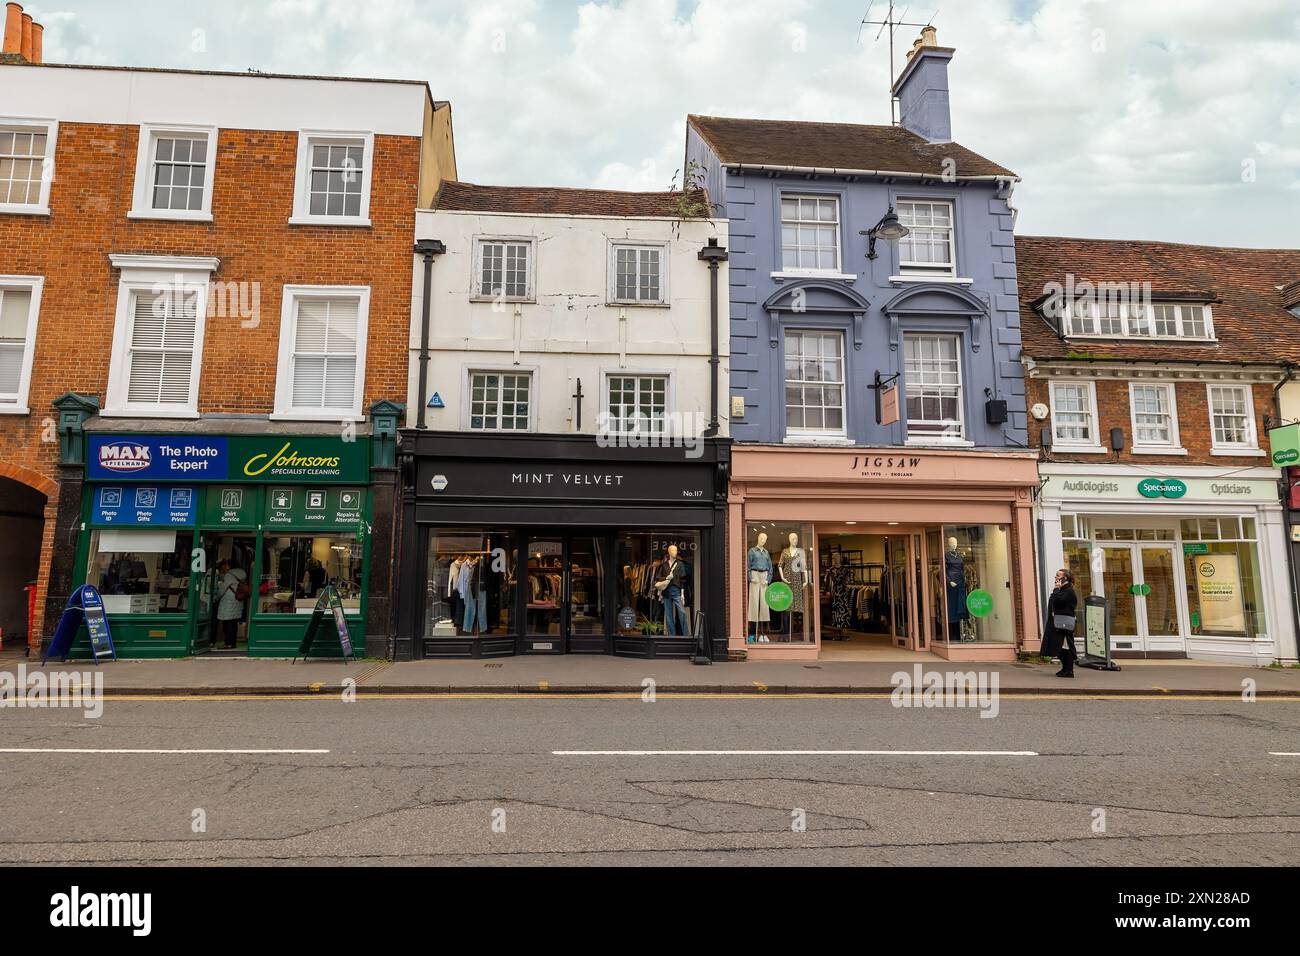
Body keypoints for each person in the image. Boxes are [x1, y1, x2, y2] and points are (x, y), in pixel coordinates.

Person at [1042, 567, 1079, 678]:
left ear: (1065, 578)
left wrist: (1056, 589)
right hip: (1058, 623)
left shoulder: (1068, 590)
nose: (1056, 578)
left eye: (1058, 576)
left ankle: (1069, 670)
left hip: (1064, 625)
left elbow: (1059, 601)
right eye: (1056, 575)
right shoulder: (1063, 589)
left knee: (1066, 647)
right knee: (1060, 647)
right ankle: (1065, 669)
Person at [216, 558, 248, 650]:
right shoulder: (242, 573)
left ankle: (228, 643)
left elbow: (223, 588)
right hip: (238, 600)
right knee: (234, 624)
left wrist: (216, 597)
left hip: (228, 602)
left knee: (227, 624)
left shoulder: (229, 575)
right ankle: (233, 643)